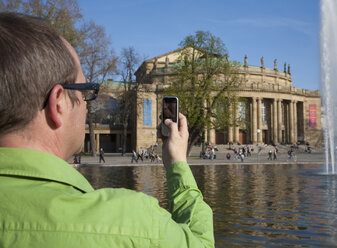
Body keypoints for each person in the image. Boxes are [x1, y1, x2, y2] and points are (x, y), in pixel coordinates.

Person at [0, 13, 214, 247]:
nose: (86, 104)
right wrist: (177, 164)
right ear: (58, 104)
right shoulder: (133, 223)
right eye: (85, 91)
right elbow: (201, 243)